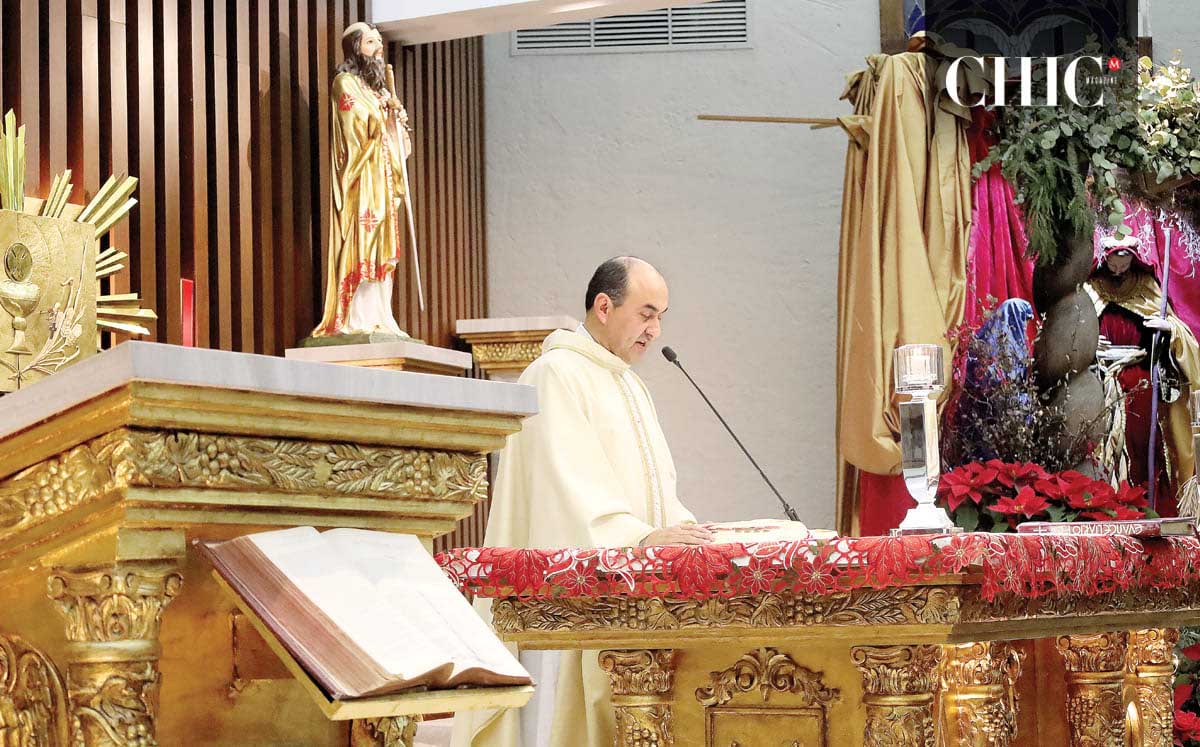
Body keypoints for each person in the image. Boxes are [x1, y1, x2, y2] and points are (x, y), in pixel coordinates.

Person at [452, 257, 710, 747]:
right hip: (568, 610)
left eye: (661, 317)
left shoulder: (629, 384)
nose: (655, 330)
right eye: (647, 313)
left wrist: (684, 529)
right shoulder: (555, 374)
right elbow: (569, 487)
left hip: (629, 595)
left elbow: (657, 488)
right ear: (605, 306)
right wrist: (640, 537)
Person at [312, 22, 412, 338]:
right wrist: (381, 111)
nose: (379, 49)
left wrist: (398, 122)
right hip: (362, 181)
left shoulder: (378, 89)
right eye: (371, 42)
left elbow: (396, 145)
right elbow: (353, 123)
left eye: (380, 42)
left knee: (385, 246)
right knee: (364, 242)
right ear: (356, 47)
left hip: (382, 178)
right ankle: (357, 316)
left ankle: (382, 314)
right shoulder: (345, 83)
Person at [1087, 234, 1200, 513]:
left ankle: (1148, 504)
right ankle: (1103, 505)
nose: (1118, 269)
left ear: (1133, 259)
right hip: (1101, 379)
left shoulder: (1149, 288)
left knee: (1141, 438)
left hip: (1140, 380)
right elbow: (1073, 330)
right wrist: (1088, 341)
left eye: (1124, 262)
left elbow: (1182, 336)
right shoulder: (1089, 289)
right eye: (1113, 262)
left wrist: (1168, 330)